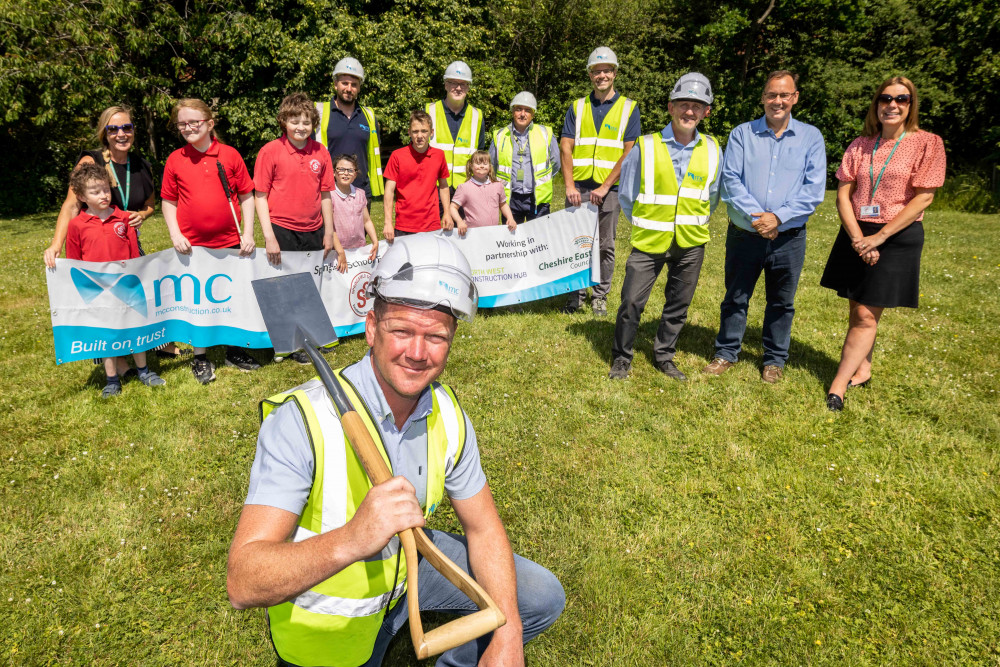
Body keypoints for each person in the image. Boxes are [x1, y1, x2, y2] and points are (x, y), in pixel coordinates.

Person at [227, 234, 565, 667]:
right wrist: (353, 538)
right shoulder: (301, 421)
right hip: (332, 630)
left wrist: (507, 633)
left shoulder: (446, 411)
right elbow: (243, 581)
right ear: (371, 327)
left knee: (537, 596)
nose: (418, 353)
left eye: (436, 337)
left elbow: (483, 529)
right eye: (401, 330)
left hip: (406, 575)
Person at [819, 76, 945, 411]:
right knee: (858, 305)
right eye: (885, 98)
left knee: (865, 313)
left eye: (901, 99)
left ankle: (837, 386)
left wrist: (879, 237)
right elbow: (843, 194)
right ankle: (864, 366)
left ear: (910, 105)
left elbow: (923, 199)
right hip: (856, 231)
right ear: (876, 104)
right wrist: (859, 238)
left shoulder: (927, 143)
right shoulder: (861, 144)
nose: (892, 105)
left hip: (896, 236)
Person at [703, 70, 827, 383]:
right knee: (736, 296)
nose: (778, 101)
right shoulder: (742, 134)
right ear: (763, 98)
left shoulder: (811, 138)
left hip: (789, 237)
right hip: (746, 233)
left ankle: (774, 360)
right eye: (772, 95)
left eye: (785, 95)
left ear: (795, 98)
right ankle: (726, 352)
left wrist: (778, 218)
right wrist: (761, 218)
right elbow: (730, 180)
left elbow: (813, 189)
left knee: (782, 302)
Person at [43, 105, 182, 372]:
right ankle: (115, 357)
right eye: (113, 128)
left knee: (138, 295)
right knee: (103, 299)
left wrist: (142, 214)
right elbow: (71, 206)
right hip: (95, 244)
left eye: (127, 127)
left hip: (126, 241)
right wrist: (55, 244)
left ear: (133, 131)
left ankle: (155, 344)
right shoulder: (90, 161)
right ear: (104, 133)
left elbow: (151, 204)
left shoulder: (141, 164)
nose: (121, 133)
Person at [608, 72, 722, 381]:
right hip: (649, 241)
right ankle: (622, 357)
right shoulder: (645, 146)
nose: (689, 111)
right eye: (683, 104)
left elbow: (712, 197)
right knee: (631, 301)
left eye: (697, 106)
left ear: (706, 112)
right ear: (670, 107)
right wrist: (650, 222)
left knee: (678, 304)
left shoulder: (713, 150)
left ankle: (664, 355)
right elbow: (628, 197)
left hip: (691, 242)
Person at [161, 98, 260, 384]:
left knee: (231, 297)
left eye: (194, 122)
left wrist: (248, 233)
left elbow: (246, 195)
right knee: (199, 301)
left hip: (230, 241)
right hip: (191, 246)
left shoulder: (229, 156)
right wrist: (175, 234)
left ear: (210, 124)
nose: (188, 127)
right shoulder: (175, 159)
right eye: (182, 124)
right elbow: (168, 201)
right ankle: (200, 357)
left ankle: (234, 350)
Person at [64, 163, 166, 398]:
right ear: (81, 197)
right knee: (105, 334)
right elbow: (74, 263)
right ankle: (111, 380)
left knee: (136, 327)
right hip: (97, 291)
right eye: (95, 191)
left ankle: (144, 370)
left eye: (105, 189)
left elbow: (133, 257)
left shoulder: (124, 218)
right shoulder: (76, 225)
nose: (103, 195)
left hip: (127, 287)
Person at [560, 46, 641, 316]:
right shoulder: (577, 106)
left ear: (615, 73)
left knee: (605, 245)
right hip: (579, 188)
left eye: (606, 70)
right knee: (575, 243)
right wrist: (569, 185)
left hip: (610, 189)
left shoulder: (629, 108)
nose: (602, 75)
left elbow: (629, 152)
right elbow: (566, 147)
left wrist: (605, 187)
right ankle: (575, 295)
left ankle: (600, 295)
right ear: (590, 75)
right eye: (597, 71)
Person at [254, 92, 344, 268]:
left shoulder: (321, 152)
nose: (300, 127)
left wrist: (328, 233)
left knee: (312, 284)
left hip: (315, 231)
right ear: (284, 122)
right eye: (294, 122)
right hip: (281, 230)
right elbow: (260, 196)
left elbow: (326, 195)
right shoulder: (269, 151)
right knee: (284, 285)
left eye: (306, 122)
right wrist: (269, 236)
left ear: (313, 124)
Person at [313, 57, 383, 205]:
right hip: (327, 192)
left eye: (354, 85)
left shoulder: (369, 116)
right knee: (330, 230)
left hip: (361, 192)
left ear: (359, 87)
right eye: (344, 83)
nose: (349, 89)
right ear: (335, 84)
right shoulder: (318, 112)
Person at [489, 91, 560, 223]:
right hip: (510, 199)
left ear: (533, 114)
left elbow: (556, 163)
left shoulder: (545, 133)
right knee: (512, 241)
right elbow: (491, 166)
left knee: (539, 240)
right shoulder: (499, 135)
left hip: (538, 199)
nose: (522, 114)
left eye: (527, 110)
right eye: (518, 109)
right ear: (512, 112)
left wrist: (543, 181)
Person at [382, 110, 452, 242]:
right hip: (404, 225)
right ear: (409, 132)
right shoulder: (397, 156)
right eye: (415, 131)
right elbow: (389, 191)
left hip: (432, 224)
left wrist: (447, 213)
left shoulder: (439, 155)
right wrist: (387, 222)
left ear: (431, 132)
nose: (420, 136)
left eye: (424, 131)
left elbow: (443, 186)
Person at [426, 61, 487, 191]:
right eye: (454, 83)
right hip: (435, 186)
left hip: (467, 187)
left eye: (463, 84)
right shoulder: (429, 112)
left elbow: (480, 154)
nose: (458, 88)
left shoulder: (477, 116)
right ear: (446, 85)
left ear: (468, 87)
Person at [451, 150, 517, 236]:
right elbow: (453, 207)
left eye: (485, 164)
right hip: (472, 235)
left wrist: (510, 218)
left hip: (493, 234)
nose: (482, 166)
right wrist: (459, 222)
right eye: (478, 163)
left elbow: (503, 204)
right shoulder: (464, 188)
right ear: (471, 166)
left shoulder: (498, 186)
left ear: (489, 166)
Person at [330, 153, 379, 258]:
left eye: (350, 170)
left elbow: (367, 221)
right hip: (336, 252)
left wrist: (375, 241)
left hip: (359, 250)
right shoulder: (330, 196)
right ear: (334, 172)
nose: (346, 173)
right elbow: (330, 228)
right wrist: (340, 251)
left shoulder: (360, 194)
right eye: (341, 169)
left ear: (355, 175)